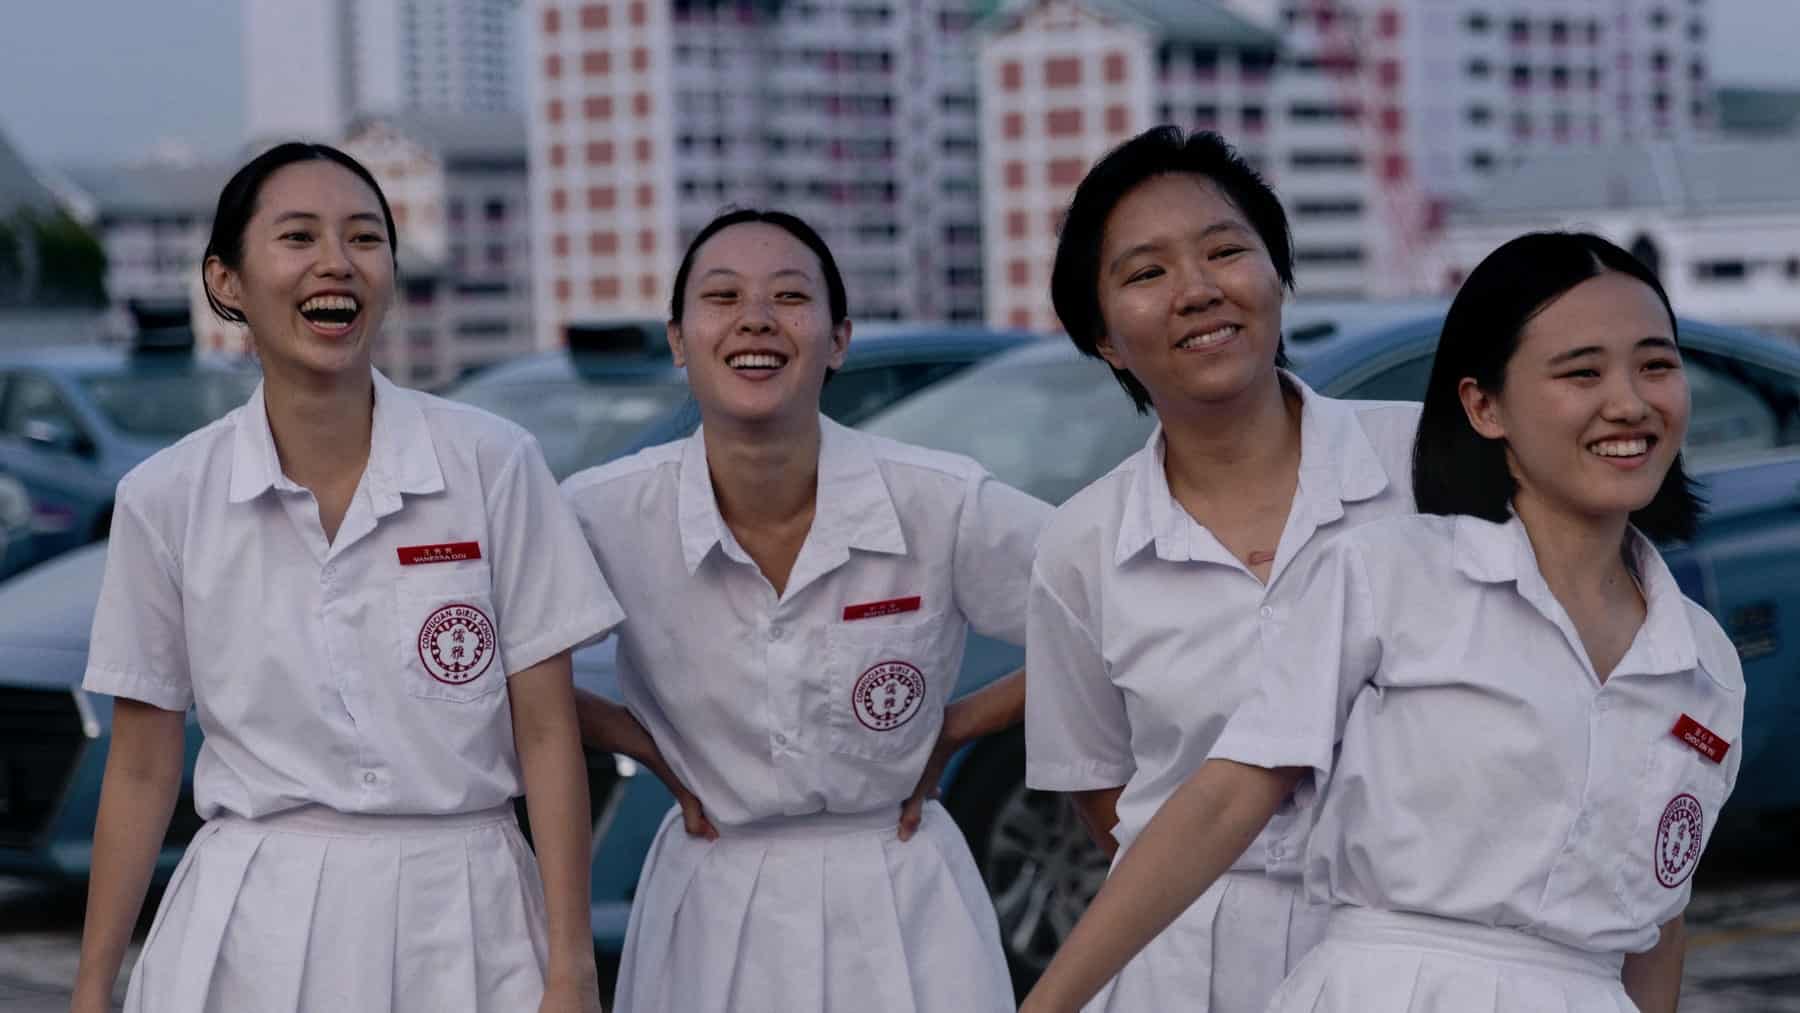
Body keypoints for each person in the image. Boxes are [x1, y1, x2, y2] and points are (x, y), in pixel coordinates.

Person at [1022, 231, 1744, 1013]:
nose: (1630, 403)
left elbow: (1656, 923)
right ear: (1484, 404)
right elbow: (1221, 803)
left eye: (1656, 365)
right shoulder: (1388, 575)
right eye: (1582, 372)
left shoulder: (1702, 660)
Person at [70, 143, 624, 1013]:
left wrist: (572, 967)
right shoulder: (166, 497)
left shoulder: (493, 464)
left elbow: (548, 733)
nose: (337, 262)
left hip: (468, 914)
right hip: (253, 920)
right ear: (226, 281)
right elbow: (141, 763)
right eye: (298, 237)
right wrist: (94, 985)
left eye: (365, 238)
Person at [561, 208, 1047, 1012]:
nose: (756, 318)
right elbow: (498, 654)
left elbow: (1110, 612)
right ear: (679, 341)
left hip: (900, 891)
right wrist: (635, 741)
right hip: (707, 893)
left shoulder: (938, 500)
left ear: (840, 338)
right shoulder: (603, 512)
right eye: (722, 297)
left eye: (790, 295)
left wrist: (959, 725)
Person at [1024, 126, 1421, 1012]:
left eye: (1225, 250)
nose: (1198, 290)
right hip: (1183, 959)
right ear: (1106, 341)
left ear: (1277, 274)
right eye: (1146, 272)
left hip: (1411, 941)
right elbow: (1104, 793)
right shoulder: (1083, 542)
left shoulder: (1426, 466)